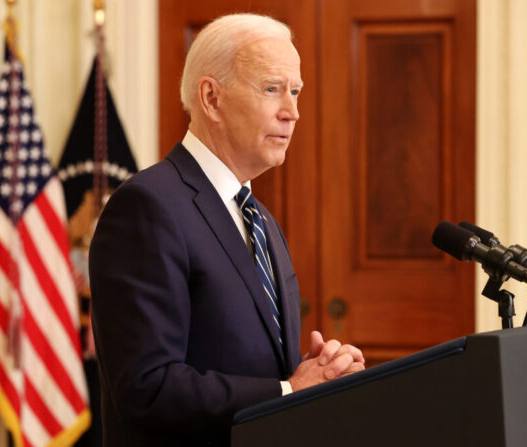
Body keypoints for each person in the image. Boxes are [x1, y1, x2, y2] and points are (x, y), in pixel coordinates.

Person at [89, 13, 365, 446]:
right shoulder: (147, 206)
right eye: (272, 89)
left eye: (295, 92)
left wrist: (315, 374)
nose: (292, 112)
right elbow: (146, 386)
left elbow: (256, 368)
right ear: (211, 98)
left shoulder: (261, 220)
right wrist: (289, 391)